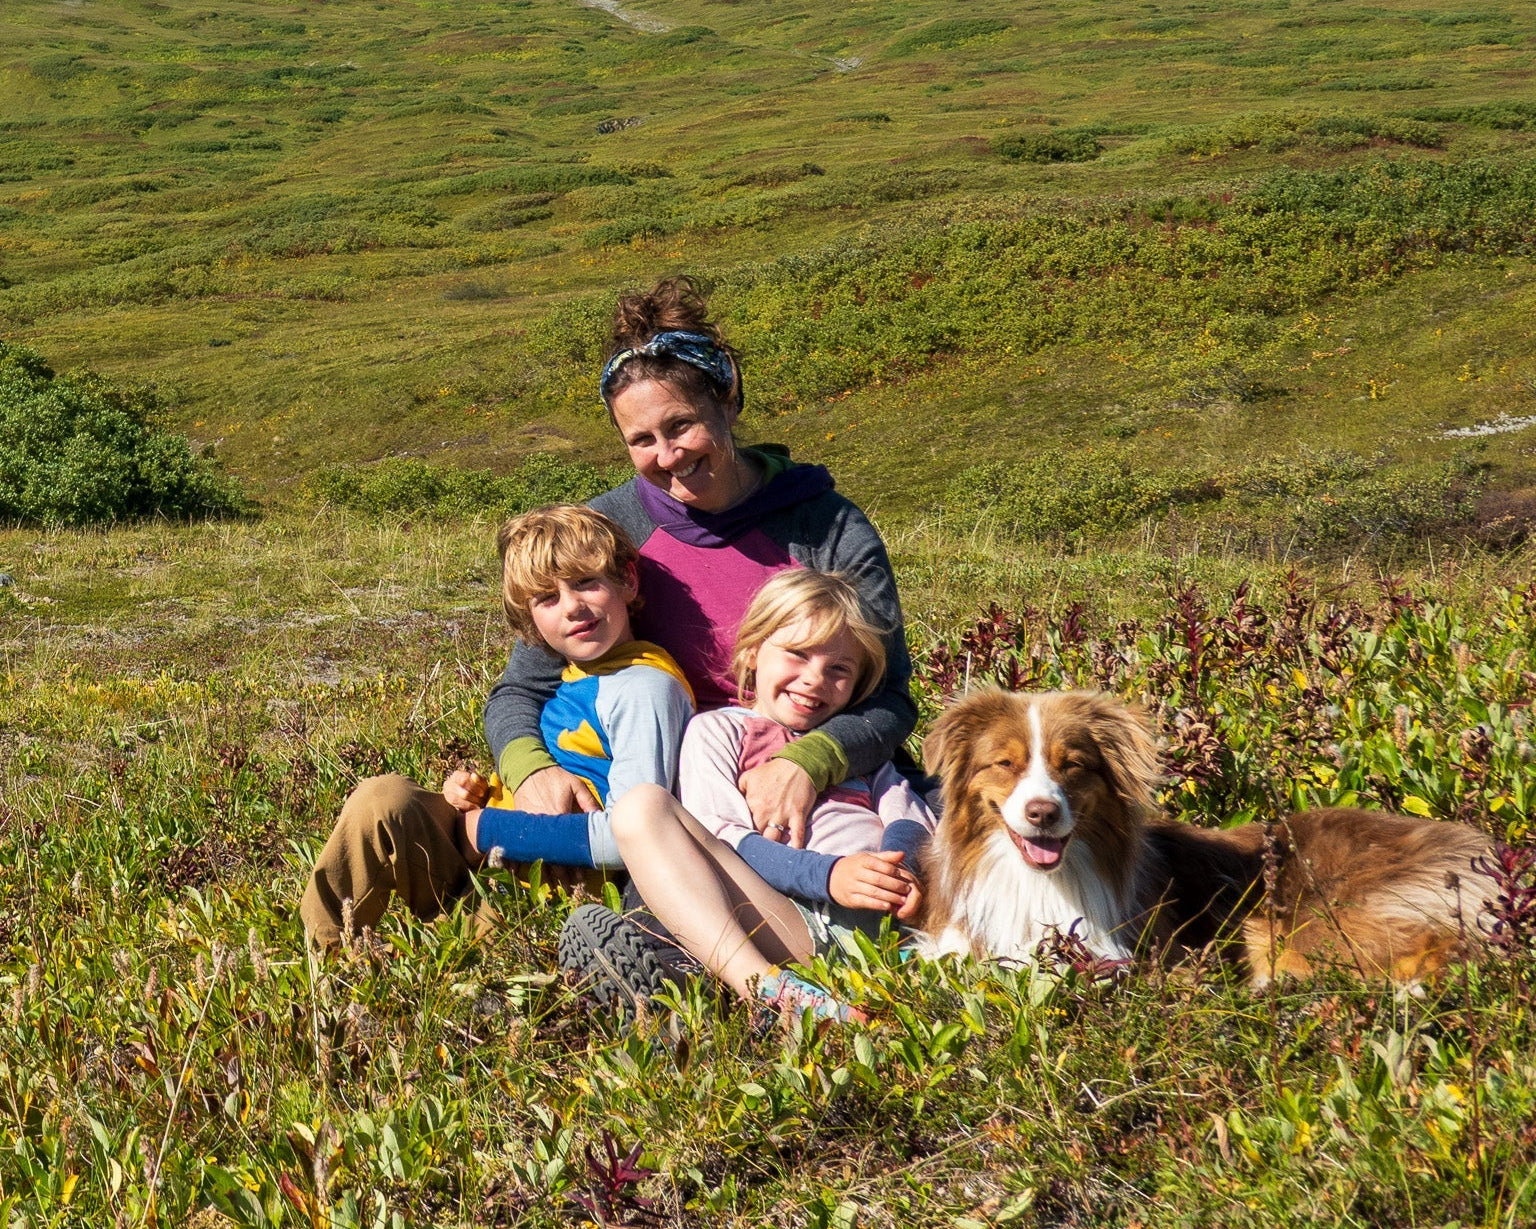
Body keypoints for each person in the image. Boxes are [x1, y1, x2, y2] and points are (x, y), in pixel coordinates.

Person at [487, 274, 917, 867]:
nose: (668, 456)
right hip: (663, 792)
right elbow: (522, 689)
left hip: (813, 784)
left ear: (728, 398)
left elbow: (889, 698)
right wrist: (529, 769)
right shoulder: (606, 536)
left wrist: (808, 761)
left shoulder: (828, 527)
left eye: (681, 425)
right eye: (642, 440)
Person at [299, 505, 693, 949]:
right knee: (381, 801)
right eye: (548, 598)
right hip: (491, 854)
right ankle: (324, 959)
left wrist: (483, 828)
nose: (573, 607)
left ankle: (445, 950)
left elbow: (631, 840)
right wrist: (479, 794)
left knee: (469, 944)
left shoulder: (644, 690)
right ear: (531, 620)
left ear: (628, 581)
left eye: (586, 582)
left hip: (544, 888)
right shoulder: (581, 672)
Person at [570, 571, 935, 1021]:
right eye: (797, 655)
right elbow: (724, 835)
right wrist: (829, 876)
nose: (814, 679)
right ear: (752, 653)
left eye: (839, 669)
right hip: (786, 922)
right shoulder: (719, 731)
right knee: (639, 809)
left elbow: (912, 814)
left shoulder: (855, 748)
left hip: (880, 925)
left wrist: (900, 870)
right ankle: (768, 990)